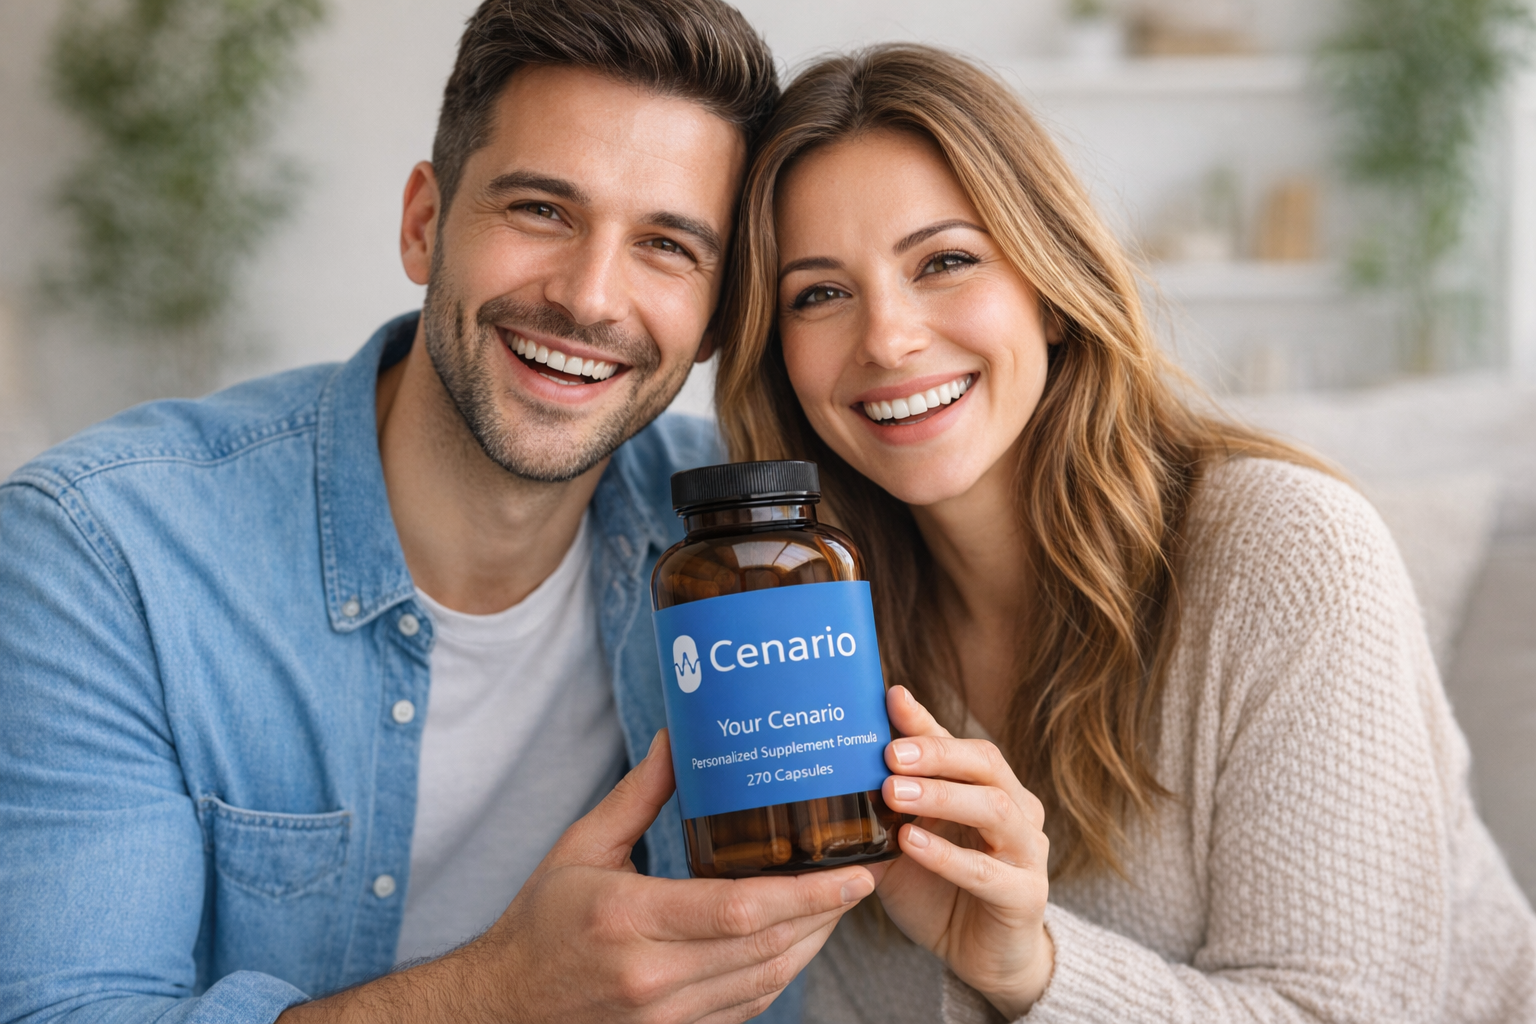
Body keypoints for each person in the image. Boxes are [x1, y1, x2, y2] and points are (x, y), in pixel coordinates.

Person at [0, 4, 880, 1022]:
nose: (591, 298)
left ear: (722, 314)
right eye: (541, 210)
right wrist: (504, 995)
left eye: (667, 246)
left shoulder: (765, 559)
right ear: (425, 223)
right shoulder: (103, 554)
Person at [713, 44, 1536, 1023]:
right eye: (819, 293)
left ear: (1051, 292)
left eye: (945, 261)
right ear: (778, 353)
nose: (887, 337)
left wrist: (1033, 968)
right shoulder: (802, 634)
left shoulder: (1294, 556)